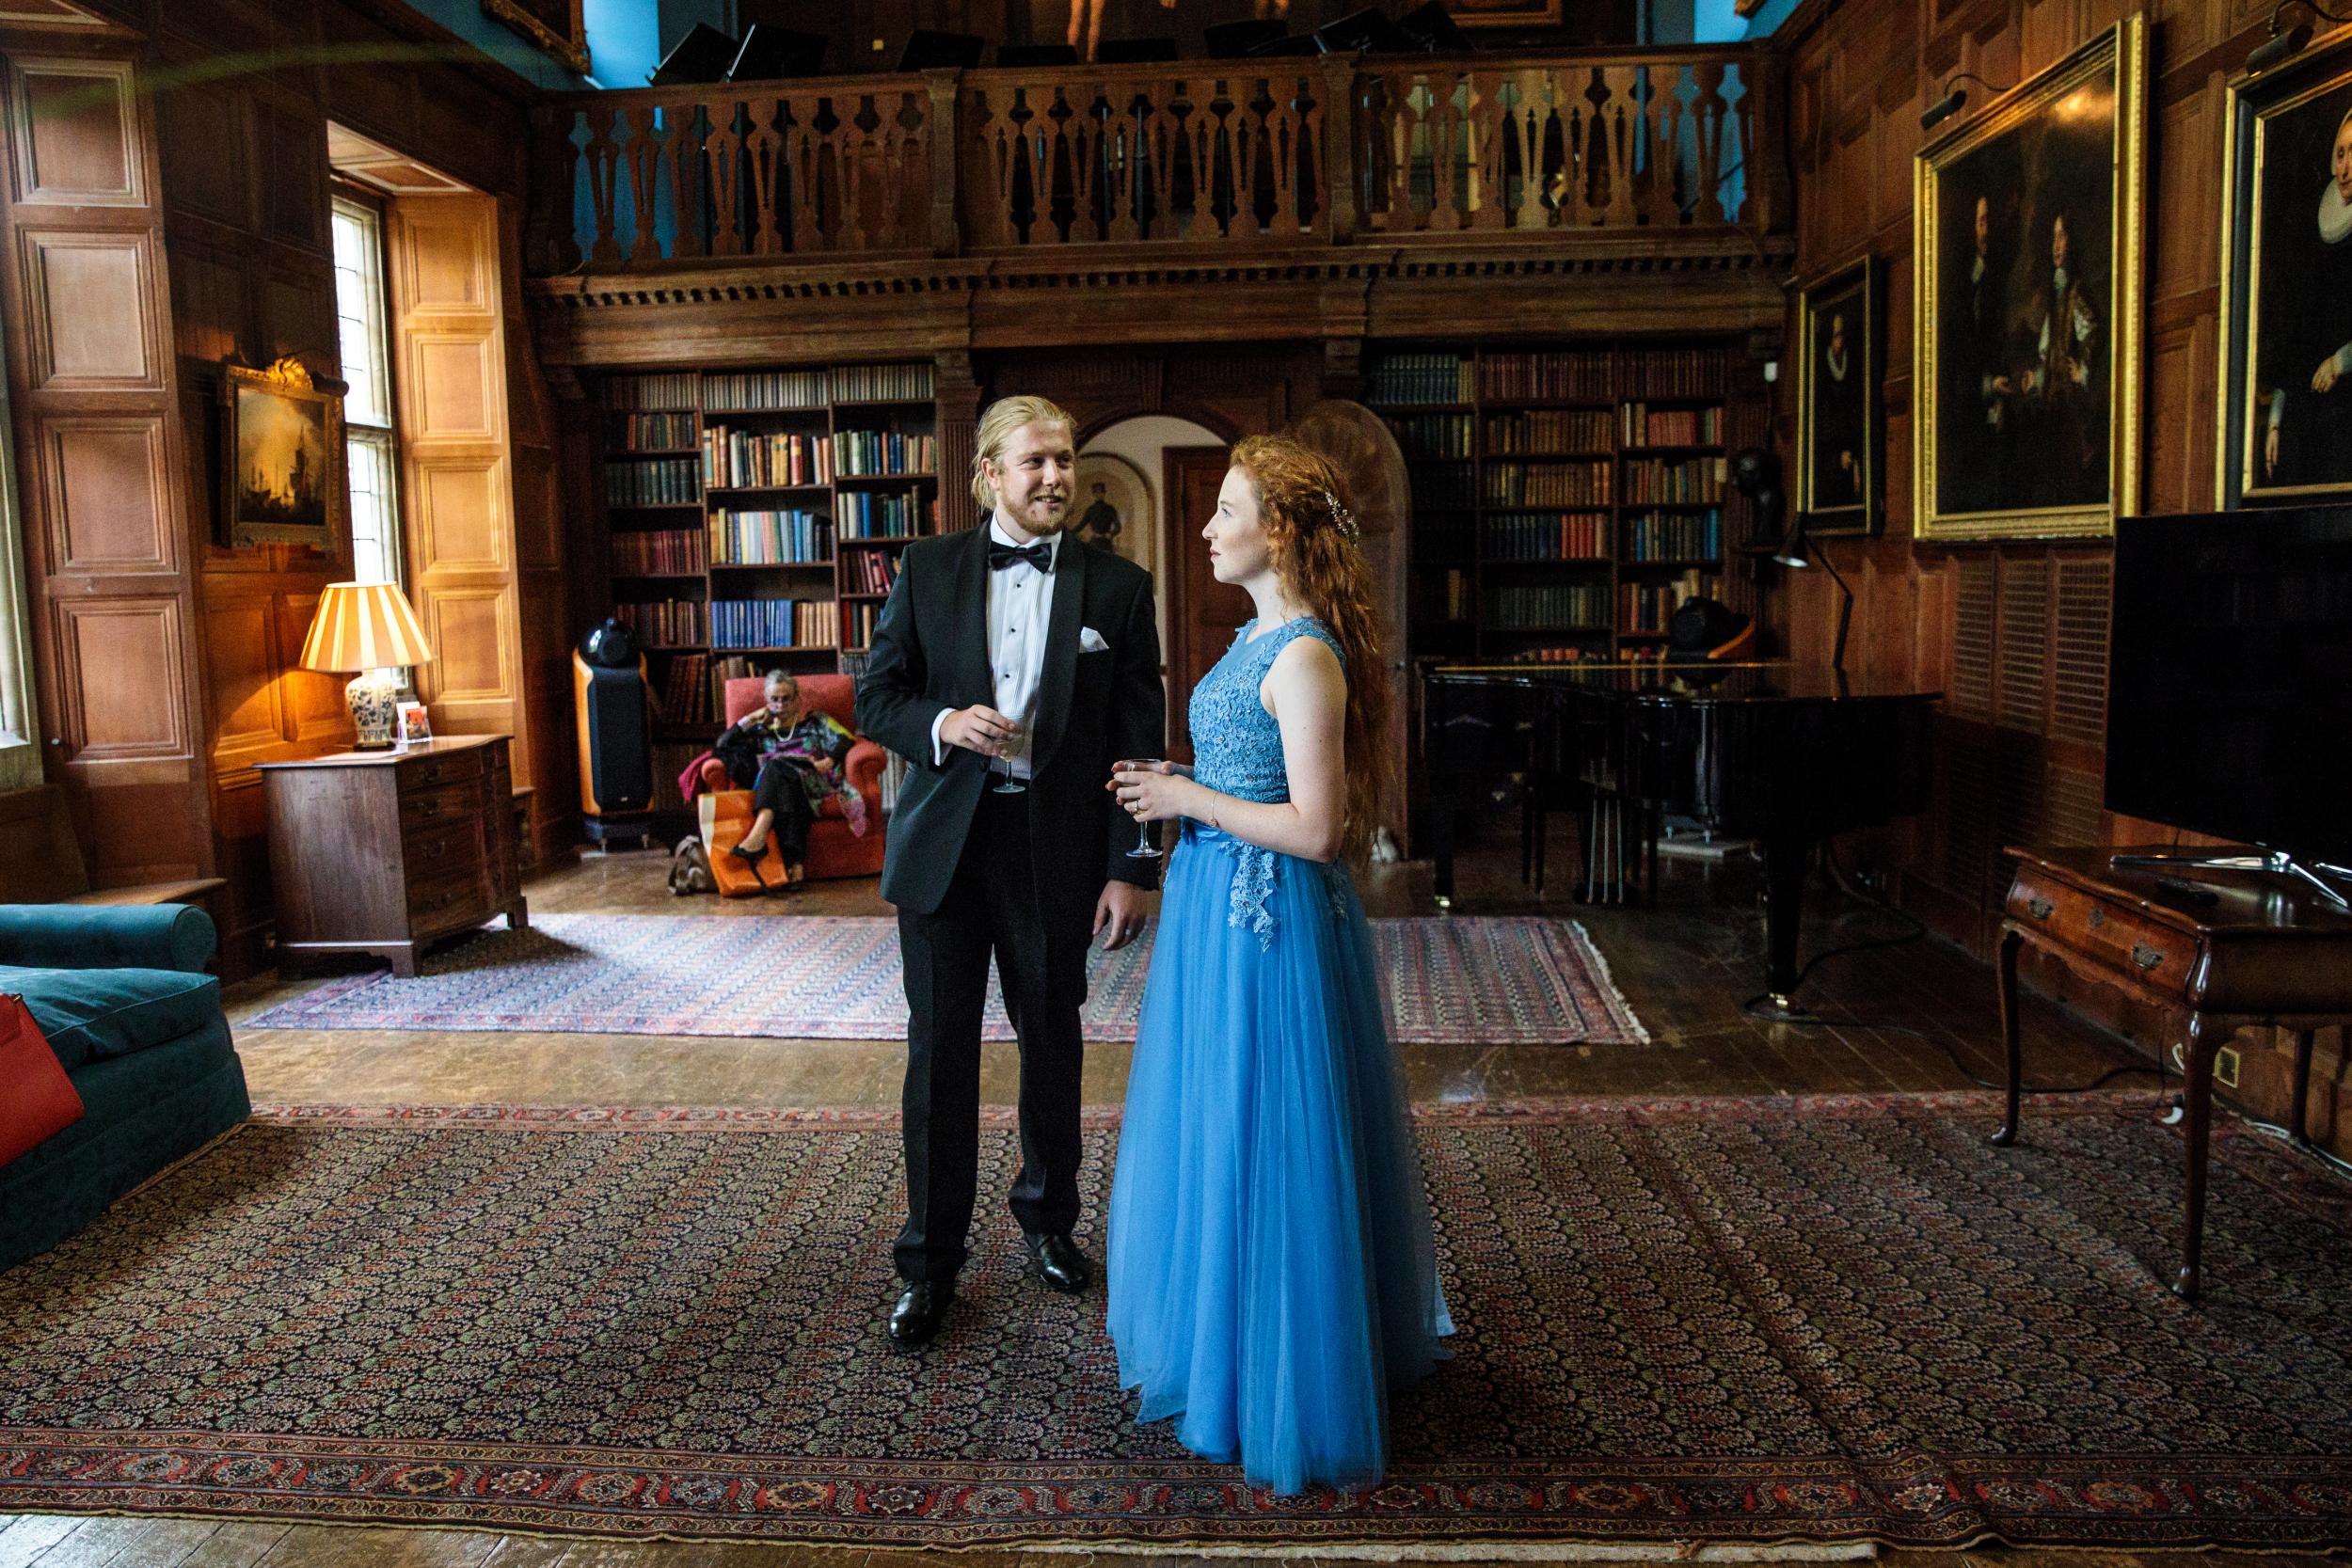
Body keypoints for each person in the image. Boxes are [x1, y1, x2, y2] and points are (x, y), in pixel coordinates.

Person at [1105, 436, 1451, 1495]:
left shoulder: (1303, 654)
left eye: (1224, 509)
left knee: (1269, 1137)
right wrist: (1186, 777)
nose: (1206, 528)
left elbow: (1314, 828)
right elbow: (1243, 773)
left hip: (1272, 927)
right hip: (1219, 910)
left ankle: (1279, 1377)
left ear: (1283, 530)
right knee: (1219, 1124)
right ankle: (1224, 1336)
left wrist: (1187, 800)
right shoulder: (1253, 637)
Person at [855, 394, 1165, 1350]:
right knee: (938, 1059)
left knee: (1053, 1044)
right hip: (946, 849)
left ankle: (1048, 1221)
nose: (1054, 477)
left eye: (1064, 458)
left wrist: (1133, 865)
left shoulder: (1118, 587)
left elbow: (1137, 734)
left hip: (1056, 849)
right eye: (1032, 461)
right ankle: (929, 1261)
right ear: (988, 472)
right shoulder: (928, 566)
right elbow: (877, 693)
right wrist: (942, 726)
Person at [713, 670, 864, 890]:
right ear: (767, 701)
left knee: (776, 767)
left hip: (813, 782)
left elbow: (845, 739)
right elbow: (723, 745)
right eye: (774, 700)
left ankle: (759, 833)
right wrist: (751, 719)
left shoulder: (815, 721)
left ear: (797, 699)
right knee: (779, 777)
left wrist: (830, 760)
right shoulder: (761, 729)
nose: (780, 705)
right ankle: (795, 865)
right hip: (782, 790)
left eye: (786, 699)